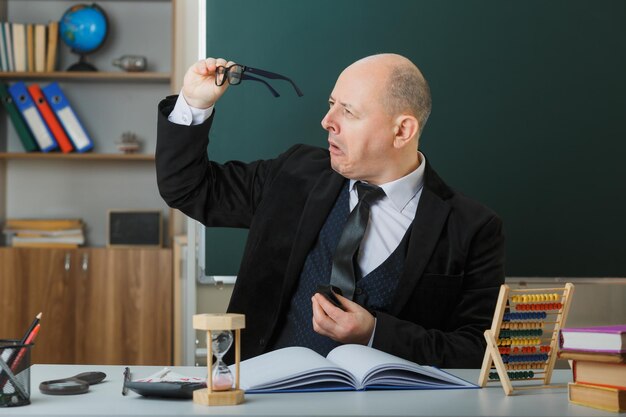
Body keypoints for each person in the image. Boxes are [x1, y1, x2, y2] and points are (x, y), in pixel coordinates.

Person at [156, 53, 505, 368]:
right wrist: (194, 104)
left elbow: (479, 348)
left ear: (402, 130)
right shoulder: (293, 174)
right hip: (266, 402)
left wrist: (376, 333)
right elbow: (188, 187)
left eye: (348, 111)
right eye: (331, 104)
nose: (327, 121)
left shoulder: (472, 227)